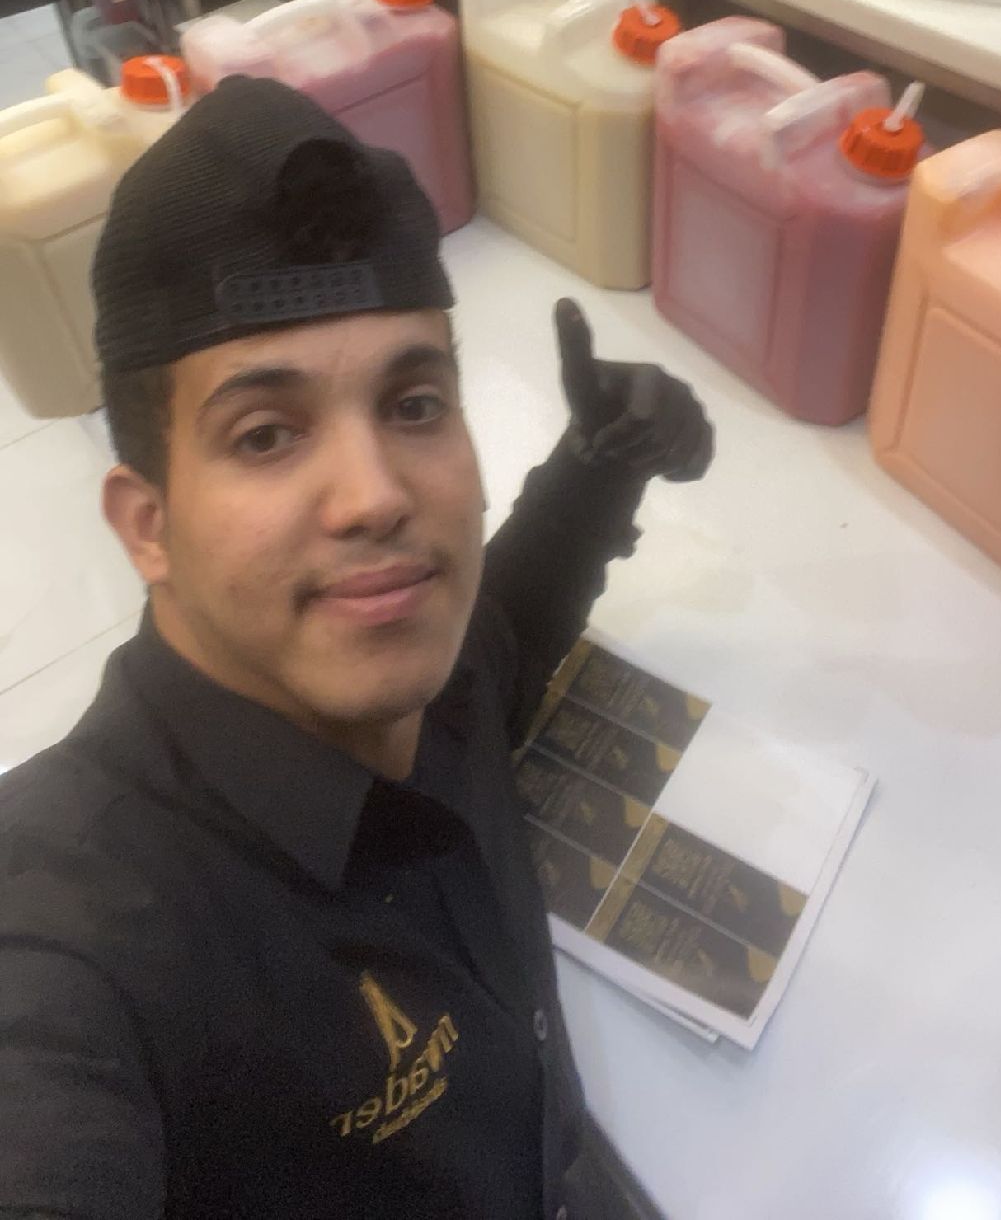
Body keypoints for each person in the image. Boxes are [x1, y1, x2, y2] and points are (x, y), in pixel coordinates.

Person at [0, 75, 712, 1220]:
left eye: (414, 403)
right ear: (148, 523)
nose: (376, 494)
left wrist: (600, 465)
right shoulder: (69, 932)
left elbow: (498, 643)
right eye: (265, 433)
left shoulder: (401, 657)